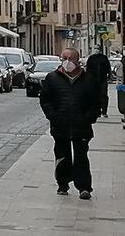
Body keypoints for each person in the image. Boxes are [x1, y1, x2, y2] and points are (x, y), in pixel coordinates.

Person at [39, 47, 101, 200]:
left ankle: (84, 187)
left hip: (82, 126)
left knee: (81, 157)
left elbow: (95, 102)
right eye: (64, 58)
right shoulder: (52, 78)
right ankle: (62, 184)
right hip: (60, 125)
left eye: (70, 59)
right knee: (62, 156)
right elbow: (45, 100)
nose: (67, 62)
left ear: (77, 60)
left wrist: (89, 118)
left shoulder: (88, 79)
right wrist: (53, 116)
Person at [85, 49, 112, 117]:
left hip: (102, 79)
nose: (97, 51)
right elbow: (88, 69)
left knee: (103, 95)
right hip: (93, 80)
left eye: (98, 49)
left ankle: (104, 111)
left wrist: (109, 75)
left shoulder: (104, 58)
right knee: (95, 95)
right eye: (96, 49)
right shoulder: (91, 58)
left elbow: (108, 67)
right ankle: (97, 111)